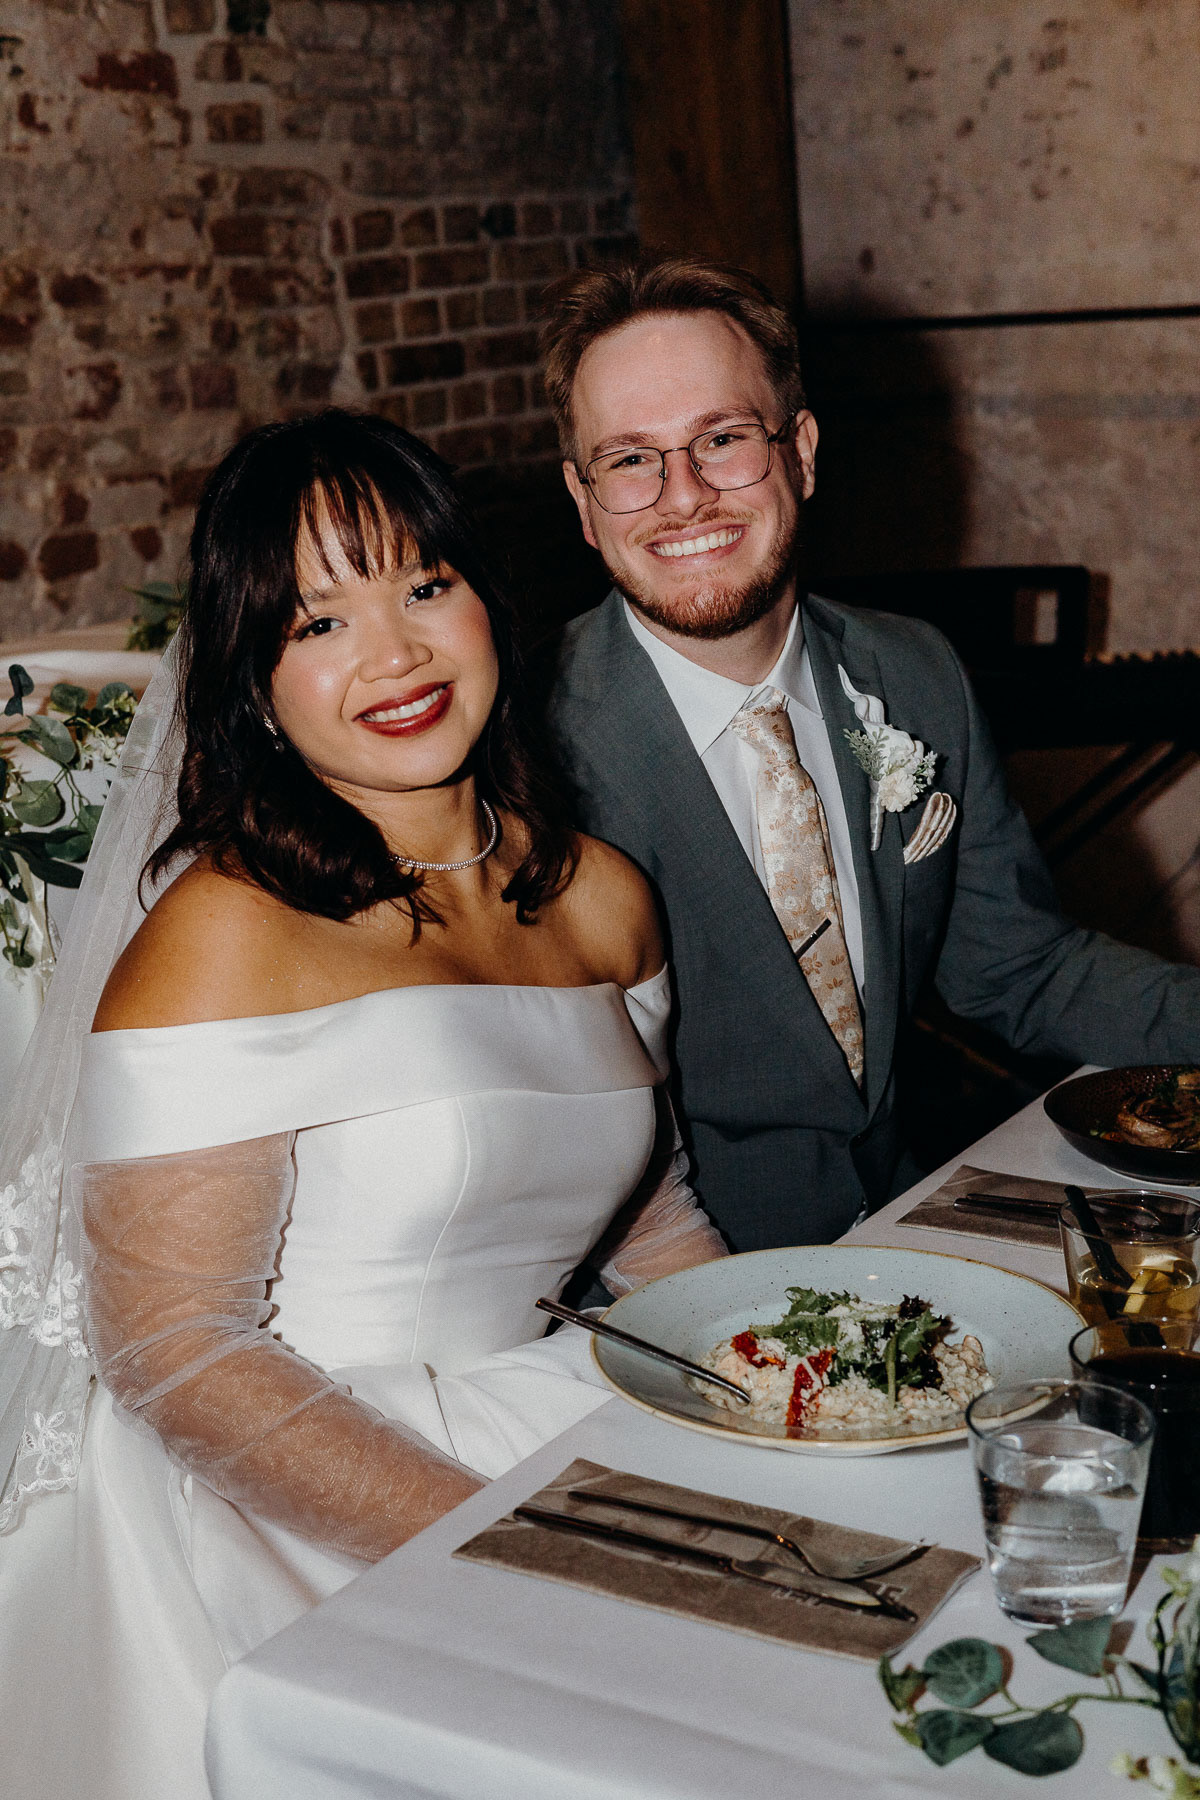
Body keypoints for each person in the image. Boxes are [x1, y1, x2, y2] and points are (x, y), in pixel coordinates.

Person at [0, 409, 725, 1799]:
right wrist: (498, 1547)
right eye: (317, 621)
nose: (392, 654)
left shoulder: (603, 893)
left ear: (485, 604)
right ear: (257, 682)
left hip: (557, 1413)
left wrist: (784, 1382)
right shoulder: (225, 933)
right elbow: (173, 1349)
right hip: (287, 1492)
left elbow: (653, 1227)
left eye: (423, 586)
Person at [541, 255, 1200, 1251]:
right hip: (672, 1286)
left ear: (800, 451)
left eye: (723, 439)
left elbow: (1020, 967)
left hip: (908, 1228)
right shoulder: (523, 748)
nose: (683, 495)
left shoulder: (913, 671)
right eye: (631, 459)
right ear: (583, 502)